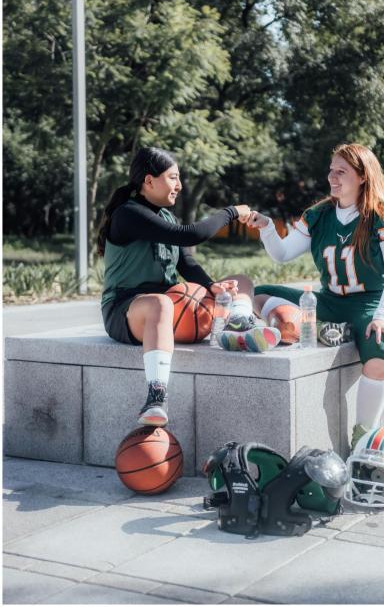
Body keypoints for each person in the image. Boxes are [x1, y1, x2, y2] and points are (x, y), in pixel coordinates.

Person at [247, 143, 384, 450]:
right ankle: (320, 330)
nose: (333, 178)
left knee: (379, 346)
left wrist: (381, 316)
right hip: (329, 300)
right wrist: (268, 228)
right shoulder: (320, 215)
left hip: (370, 301)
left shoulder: (383, 217)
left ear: (363, 176)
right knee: (259, 294)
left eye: (342, 172)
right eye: (331, 170)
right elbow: (282, 254)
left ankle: (364, 437)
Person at [97, 147, 280, 427]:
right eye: (173, 177)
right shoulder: (128, 214)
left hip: (169, 308)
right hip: (127, 310)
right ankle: (157, 396)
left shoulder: (166, 217)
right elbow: (191, 235)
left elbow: (187, 263)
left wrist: (213, 286)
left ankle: (240, 326)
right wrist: (231, 212)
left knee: (241, 281)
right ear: (149, 181)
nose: (179, 186)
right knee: (161, 303)